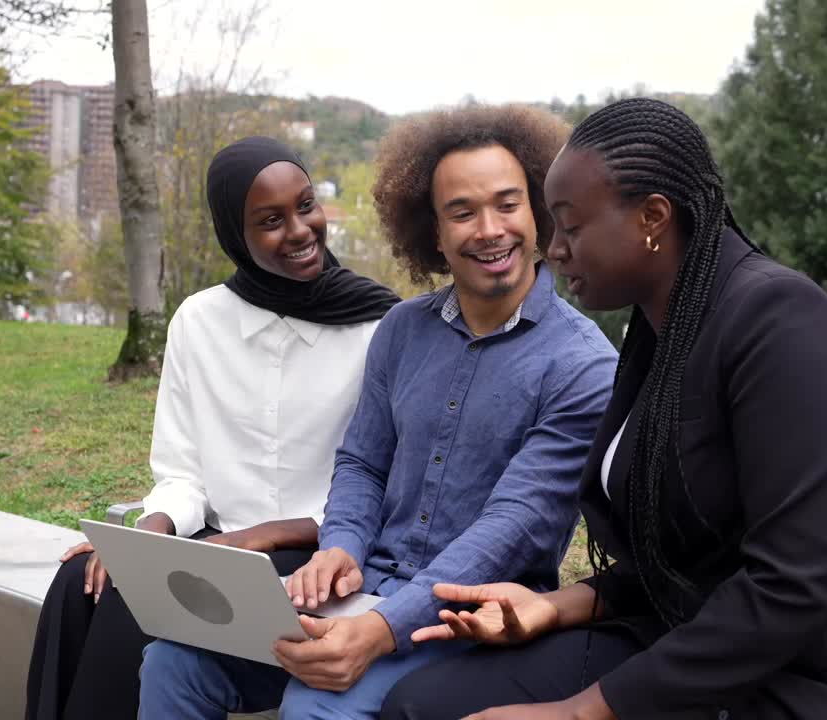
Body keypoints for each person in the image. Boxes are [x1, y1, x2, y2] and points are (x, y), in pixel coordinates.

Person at [382, 97, 827, 720]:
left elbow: (794, 586)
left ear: (652, 217)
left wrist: (578, 714)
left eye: (570, 224)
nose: (555, 248)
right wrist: (556, 606)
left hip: (817, 681)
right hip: (680, 637)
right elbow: (686, 559)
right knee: (422, 706)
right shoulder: (657, 332)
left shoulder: (782, 323)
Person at [138, 104, 619, 720]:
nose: (490, 229)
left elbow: (511, 529)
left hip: (466, 614)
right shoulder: (401, 329)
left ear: (539, 211)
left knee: (317, 705)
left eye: (507, 204)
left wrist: (378, 628)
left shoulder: (582, 366)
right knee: (175, 664)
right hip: (361, 587)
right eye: (462, 212)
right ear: (433, 231)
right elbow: (362, 462)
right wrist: (339, 548)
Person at [24, 136, 399, 720]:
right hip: (216, 546)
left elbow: (388, 482)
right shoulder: (198, 322)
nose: (299, 230)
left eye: (305, 205)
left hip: (325, 555)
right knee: (84, 583)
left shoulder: (380, 326)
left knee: (139, 619)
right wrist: (148, 534)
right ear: (235, 235)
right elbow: (182, 473)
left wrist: (268, 534)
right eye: (269, 221)